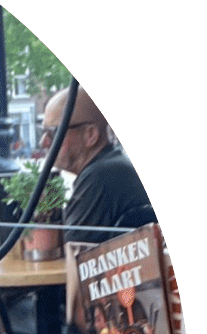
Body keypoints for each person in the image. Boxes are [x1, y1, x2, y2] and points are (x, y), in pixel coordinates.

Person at [40, 86, 156, 243]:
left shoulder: (101, 175)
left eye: (54, 133)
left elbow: (72, 250)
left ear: (90, 135)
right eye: (43, 132)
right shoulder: (110, 166)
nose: (43, 142)